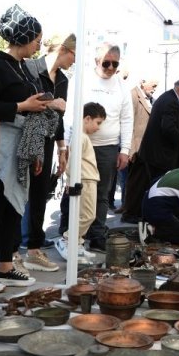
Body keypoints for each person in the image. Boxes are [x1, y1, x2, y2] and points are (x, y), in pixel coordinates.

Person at [0, 5, 49, 289]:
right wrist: (22, 106)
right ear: (25, 36)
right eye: (37, 37)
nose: (39, 43)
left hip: (18, 145)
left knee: (12, 207)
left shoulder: (21, 67)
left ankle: (4, 266)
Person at [58, 43, 133, 252]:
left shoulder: (121, 86)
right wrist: (64, 146)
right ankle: (68, 230)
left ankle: (97, 233)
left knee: (102, 193)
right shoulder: (81, 79)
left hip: (108, 147)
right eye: (106, 63)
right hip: (80, 143)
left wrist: (125, 149)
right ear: (96, 61)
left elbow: (127, 119)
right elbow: (69, 113)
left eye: (115, 64)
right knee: (73, 188)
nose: (110, 68)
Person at [20, 33, 75, 272]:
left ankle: (34, 248)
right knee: (20, 193)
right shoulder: (30, 68)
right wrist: (51, 104)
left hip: (48, 141)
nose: (75, 61)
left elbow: (60, 117)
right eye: (74, 55)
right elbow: (24, 104)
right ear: (63, 49)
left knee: (41, 193)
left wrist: (62, 148)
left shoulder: (62, 79)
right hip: (25, 139)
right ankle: (14, 250)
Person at [121, 77, 179, 219]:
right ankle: (144, 214)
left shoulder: (167, 98)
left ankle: (138, 213)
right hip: (158, 155)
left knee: (143, 185)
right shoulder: (171, 102)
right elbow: (167, 127)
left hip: (154, 152)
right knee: (153, 186)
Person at [56, 102, 106, 263]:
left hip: (89, 179)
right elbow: (73, 161)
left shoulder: (82, 136)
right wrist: (71, 181)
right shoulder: (80, 136)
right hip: (85, 180)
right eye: (98, 123)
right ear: (87, 118)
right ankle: (66, 240)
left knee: (86, 215)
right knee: (88, 216)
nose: (98, 128)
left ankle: (77, 244)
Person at [116, 78, 156, 215]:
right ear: (143, 82)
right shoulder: (133, 95)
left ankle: (131, 206)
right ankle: (127, 207)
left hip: (144, 148)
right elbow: (128, 124)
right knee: (130, 180)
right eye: (153, 85)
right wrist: (129, 149)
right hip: (135, 148)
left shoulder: (148, 98)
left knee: (136, 180)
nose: (155, 88)